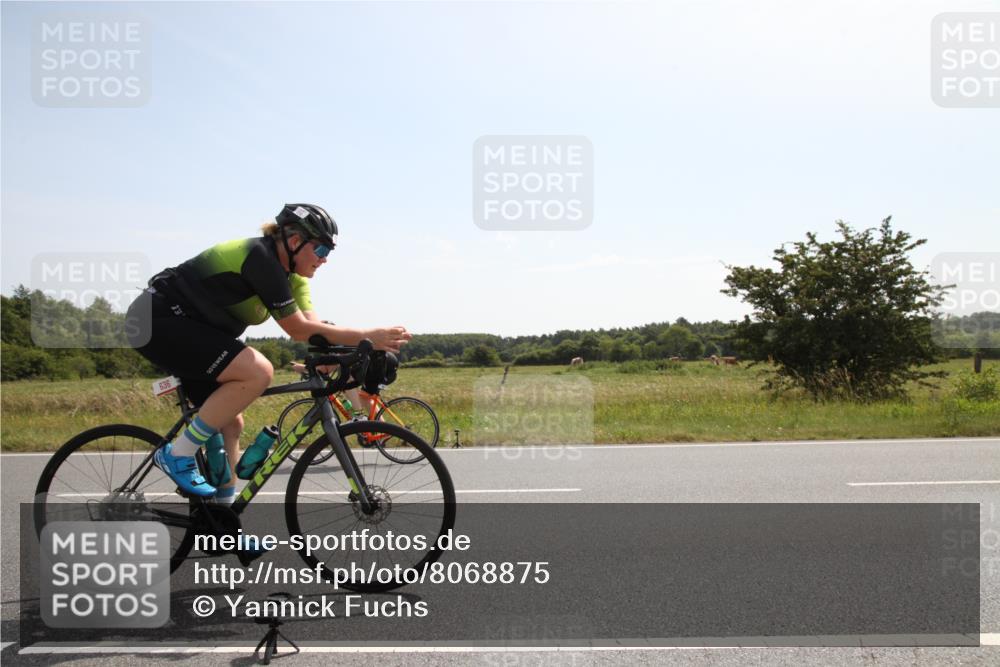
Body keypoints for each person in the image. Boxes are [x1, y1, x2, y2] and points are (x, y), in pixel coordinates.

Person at [126, 203, 411, 501]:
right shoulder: (261, 258)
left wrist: (348, 353)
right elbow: (297, 330)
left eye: (329, 254)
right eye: (321, 251)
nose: (324, 260)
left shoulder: (294, 279)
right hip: (155, 320)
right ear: (294, 240)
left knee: (229, 422)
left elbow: (313, 330)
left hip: (191, 330)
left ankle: (223, 522)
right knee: (258, 371)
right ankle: (177, 455)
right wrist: (368, 335)